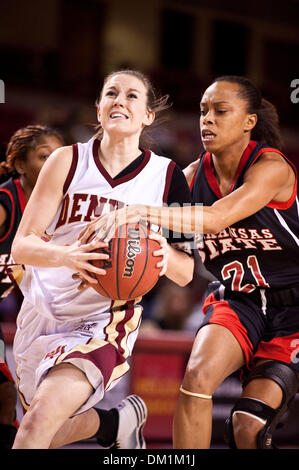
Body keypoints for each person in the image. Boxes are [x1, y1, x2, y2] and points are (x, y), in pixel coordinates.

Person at [85, 75, 299, 449]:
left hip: (293, 307)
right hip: (240, 301)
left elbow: (217, 217)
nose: (207, 120)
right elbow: (180, 263)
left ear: (249, 121)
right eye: (202, 111)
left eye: (220, 111)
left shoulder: (272, 168)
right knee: (196, 380)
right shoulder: (190, 178)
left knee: (247, 426)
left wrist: (140, 211)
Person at [11, 70, 194, 449]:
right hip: (41, 312)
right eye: (112, 93)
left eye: (132, 96)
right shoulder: (65, 160)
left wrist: (158, 248)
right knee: (36, 430)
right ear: (99, 108)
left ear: (146, 116)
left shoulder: (167, 178)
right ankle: (114, 422)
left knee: (34, 429)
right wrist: (68, 255)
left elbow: (186, 272)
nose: (120, 101)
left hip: (102, 321)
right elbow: (22, 246)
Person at [0, 125, 63, 449]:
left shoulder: (56, 212)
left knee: (4, 395)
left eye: (58, 156)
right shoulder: (5, 201)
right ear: (21, 166)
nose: (53, 163)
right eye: (43, 156)